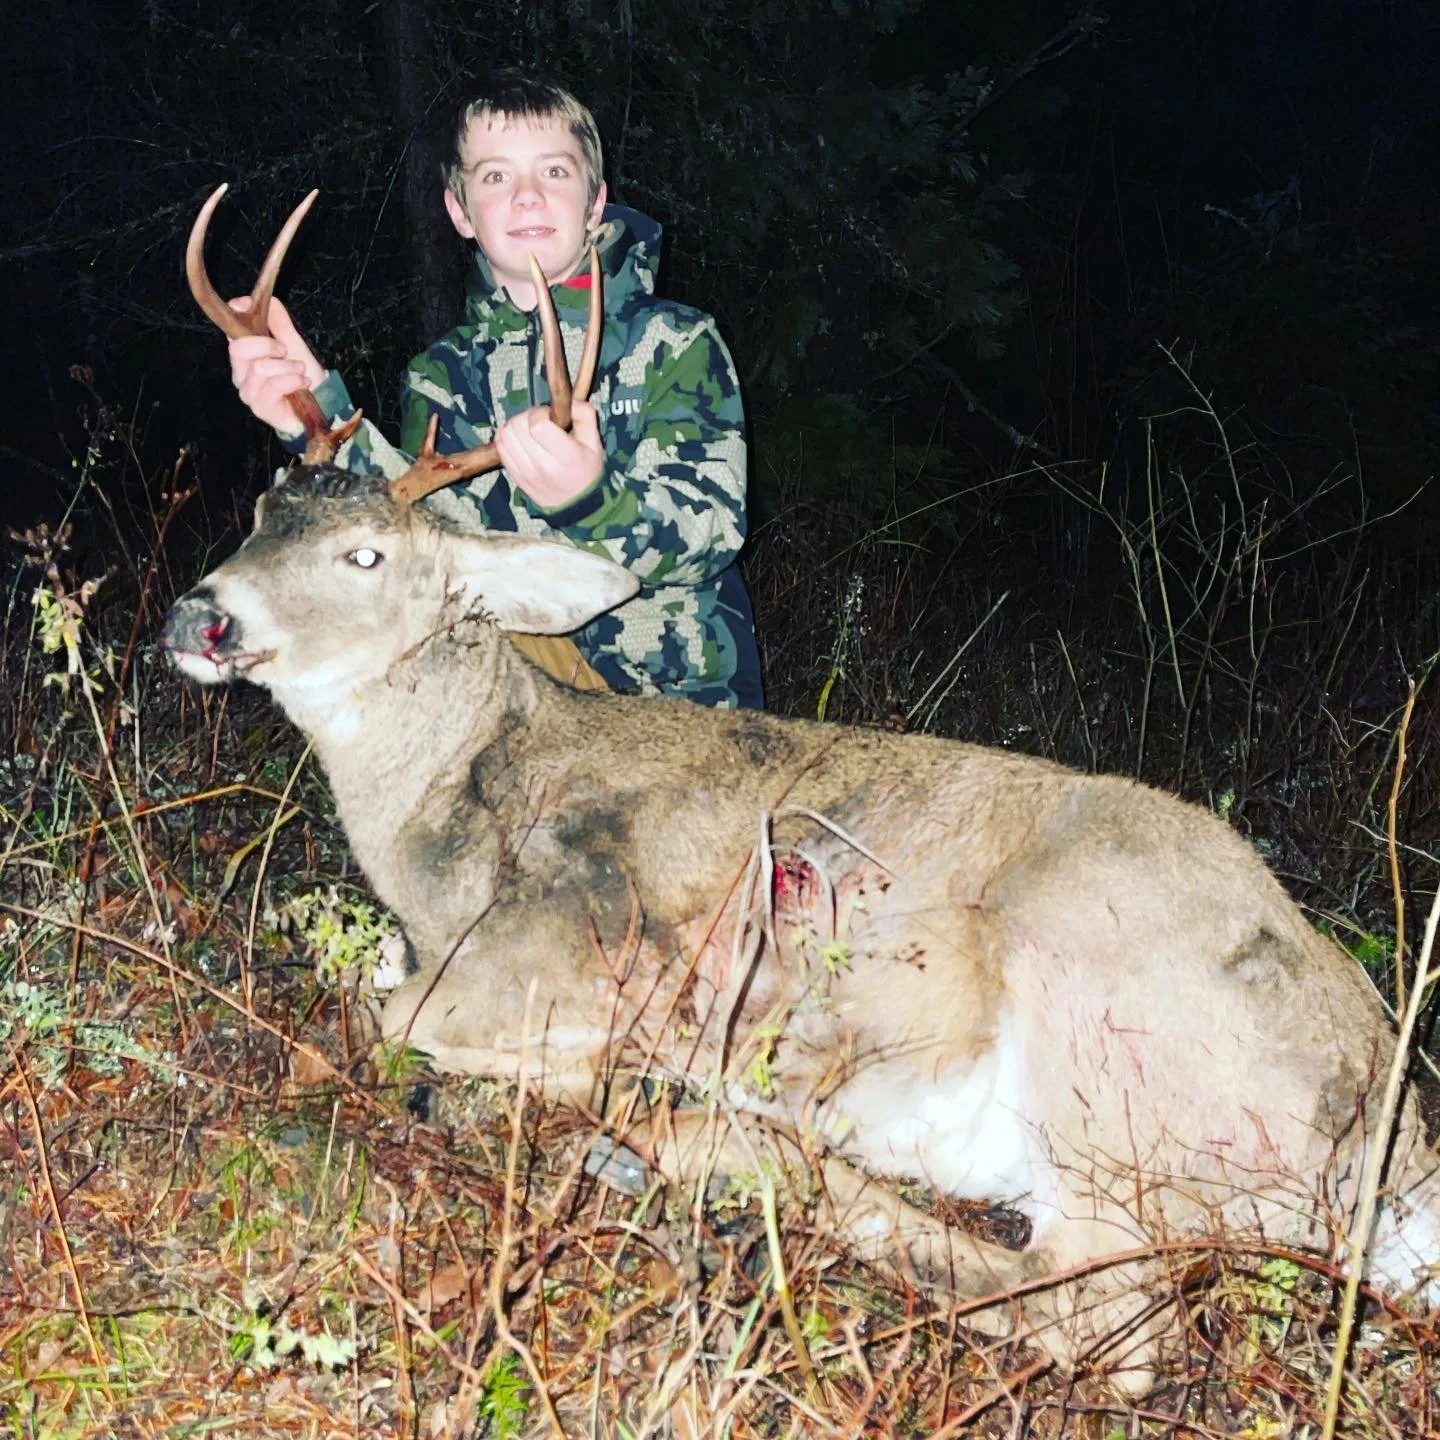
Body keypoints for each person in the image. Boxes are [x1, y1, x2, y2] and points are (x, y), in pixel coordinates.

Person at [226, 71, 762, 710]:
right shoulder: (441, 374)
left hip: (675, 704)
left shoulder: (674, 343)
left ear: (595, 203)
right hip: (512, 696)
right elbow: (423, 536)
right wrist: (314, 410)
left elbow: (713, 534)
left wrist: (591, 500)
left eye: (555, 172)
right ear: (459, 212)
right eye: (496, 176)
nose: (528, 196)